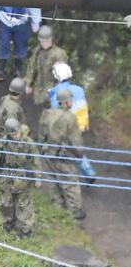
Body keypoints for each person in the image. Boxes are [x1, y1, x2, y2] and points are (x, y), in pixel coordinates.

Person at [39, 87, 86, 220]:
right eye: (70, 100)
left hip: (47, 153)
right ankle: (75, 211)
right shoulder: (69, 118)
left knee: (52, 179)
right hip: (62, 156)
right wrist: (79, 154)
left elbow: (41, 135)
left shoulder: (47, 113)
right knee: (71, 182)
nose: (71, 102)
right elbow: (75, 141)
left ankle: (57, 206)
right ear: (66, 102)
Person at [0, 117, 41, 239]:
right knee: (5, 203)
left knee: (23, 204)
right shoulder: (3, 142)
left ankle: (25, 229)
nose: (16, 136)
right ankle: (9, 221)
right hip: (7, 176)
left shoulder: (28, 142)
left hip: (23, 177)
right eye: (13, 134)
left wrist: (38, 177)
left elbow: (36, 160)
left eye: (17, 133)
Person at [24, 25, 68, 138]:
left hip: (53, 91)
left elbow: (63, 75)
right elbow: (32, 67)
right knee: (41, 117)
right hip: (39, 91)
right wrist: (29, 84)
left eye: (46, 40)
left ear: (51, 39)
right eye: (42, 41)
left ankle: (53, 140)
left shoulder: (59, 54)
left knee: (53, 118)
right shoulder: (38, 51)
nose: (44, 43)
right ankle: (42, 139)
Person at [0, 6, 41, 82]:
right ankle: (0, 70)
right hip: (4, 20)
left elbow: (33, 4)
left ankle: (18, 70)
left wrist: (36, 21)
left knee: (21, 47)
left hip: (22, 22)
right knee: (4, 44)